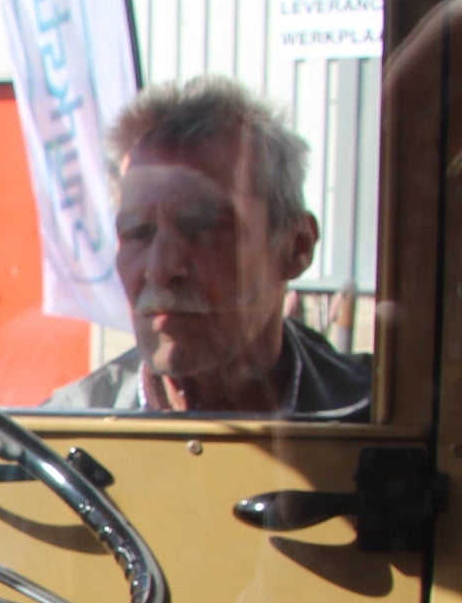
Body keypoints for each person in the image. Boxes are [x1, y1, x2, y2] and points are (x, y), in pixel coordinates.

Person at [48, 74, 371, 416]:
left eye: (202, 228)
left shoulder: (379, 419)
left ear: (297, 247)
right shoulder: (61, 432)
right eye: (137, 233)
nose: (160, 268)